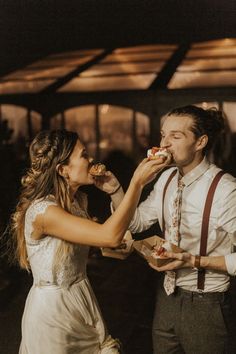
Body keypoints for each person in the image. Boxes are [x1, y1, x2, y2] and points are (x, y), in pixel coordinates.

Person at [9, 129, 169, 354]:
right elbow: (109, 234)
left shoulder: (77, 202)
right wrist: (136, 184)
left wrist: (114, 191)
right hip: (54, 312)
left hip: (81, 298)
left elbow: (84, 242)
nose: (91, 159)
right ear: (63, 170)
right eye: (84, 155)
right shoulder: (44, 211)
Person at [110, 105, 236, 354]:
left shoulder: (226, 189)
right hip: (166, 296)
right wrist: (116, 190)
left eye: (176, 136)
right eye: (163, 135)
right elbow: (135, 223)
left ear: (200, 142)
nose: (165, 144)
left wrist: (193, 260)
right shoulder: (165, 178)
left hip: (207, 304)